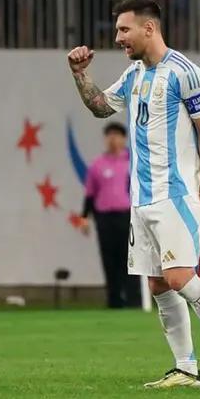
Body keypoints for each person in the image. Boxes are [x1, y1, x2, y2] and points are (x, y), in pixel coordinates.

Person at [67, 0, 200, 388]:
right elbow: (101, 107)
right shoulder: (134, 75)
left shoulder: (185, 72)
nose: (118, 37)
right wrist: (79, 74)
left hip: (174, 193)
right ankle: (186, 367)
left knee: (178, 278)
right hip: (141, 199)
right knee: (157, 283)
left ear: (149, 28)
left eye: (124, 30)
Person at [79, 122, 141, 309]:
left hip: (127, 216)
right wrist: (84, 217)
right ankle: (114, 300)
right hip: (104, 217)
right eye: (109, 135)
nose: (113, 139)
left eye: (117, 135)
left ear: (124, 139)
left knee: (129, 259)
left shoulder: (133, 162)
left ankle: (133, 299)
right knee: (109, 259)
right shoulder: (97, 165)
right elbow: (90, 194)